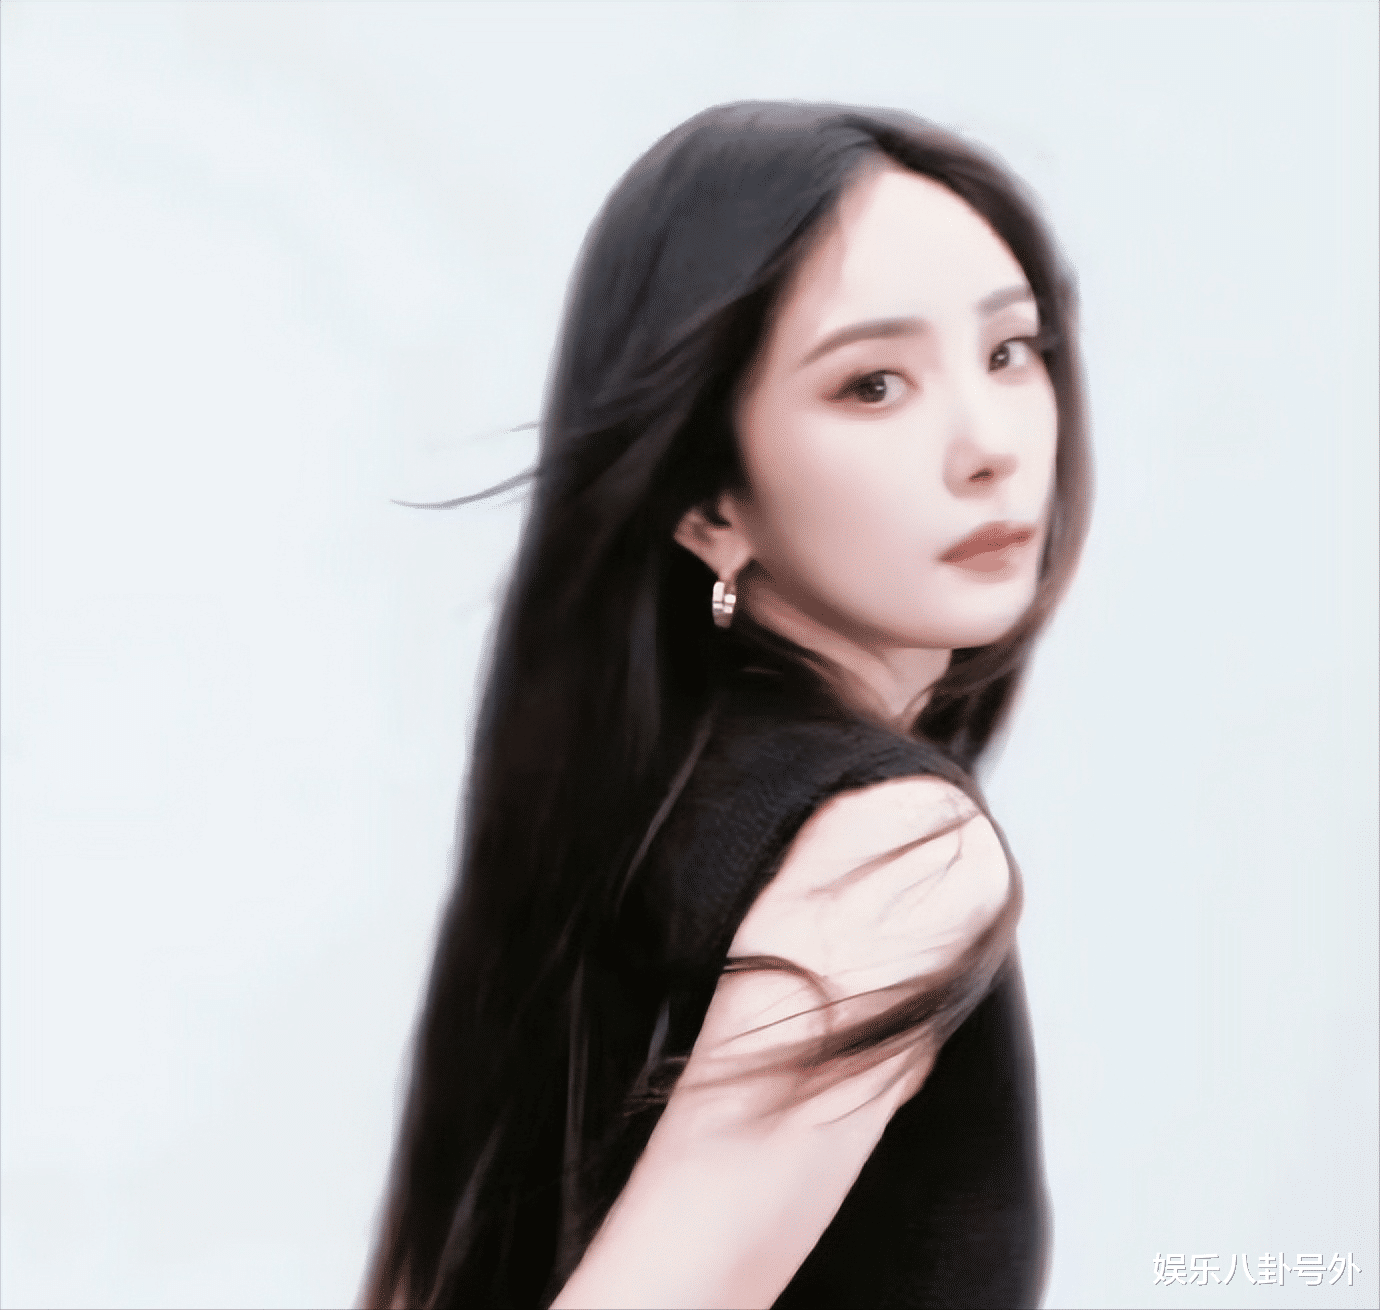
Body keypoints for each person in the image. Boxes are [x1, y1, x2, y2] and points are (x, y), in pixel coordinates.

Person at [363, 100, 1092, 1310]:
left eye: (1010, 350)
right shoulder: (890, 851)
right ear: (709, 503)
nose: (989, 444)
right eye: (873, 383)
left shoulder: (632, 802)